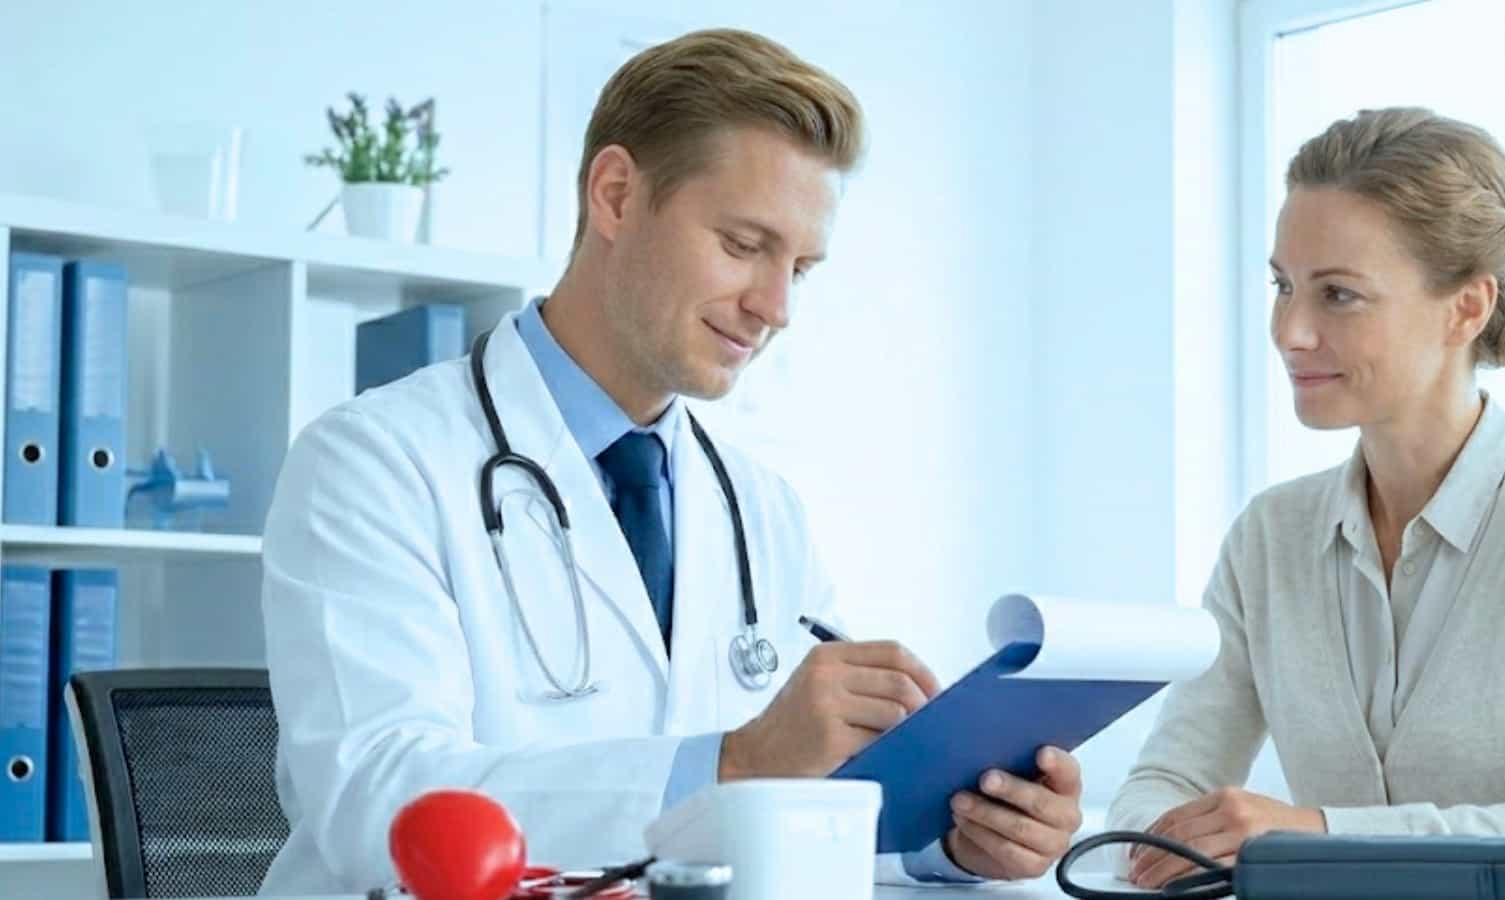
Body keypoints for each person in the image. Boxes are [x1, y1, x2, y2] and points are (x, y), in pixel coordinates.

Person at [257, 28, 1081, 895]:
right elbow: (379, 807)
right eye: (743, 244)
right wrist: (738, 762)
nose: (776, 307)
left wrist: (951, 839)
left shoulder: (761, 510)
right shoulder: (372, 465)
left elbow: (811, 815)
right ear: (615, 195)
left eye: (800, 266)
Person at [1108, 107, 1505, 890]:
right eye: (1284, 287)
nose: (1291, 330)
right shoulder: (1270, 538)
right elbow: (1156, 793)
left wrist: (1321, 836)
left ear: (1467, 307)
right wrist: (1170, 839)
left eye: (1339, 295)